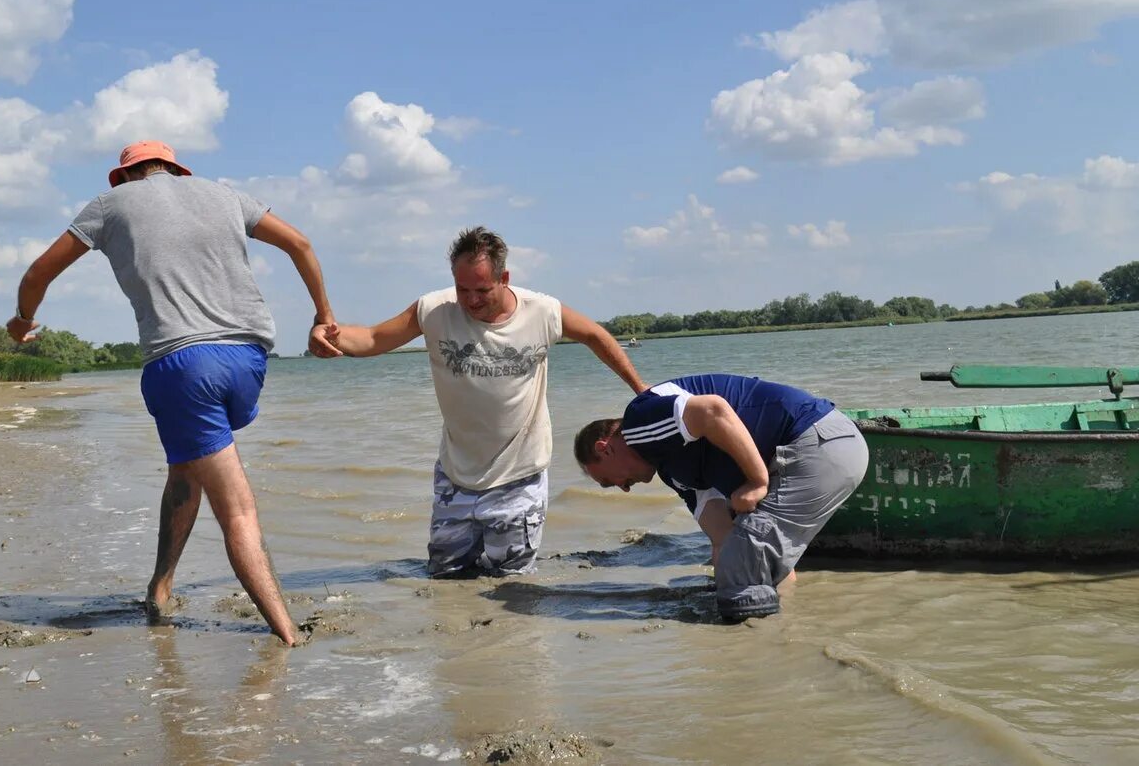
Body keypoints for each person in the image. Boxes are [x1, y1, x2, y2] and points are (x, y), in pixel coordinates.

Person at [5, 140, 341, 646]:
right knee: (187, 467)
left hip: (182, 365)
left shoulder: (107, 205)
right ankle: (160, 587)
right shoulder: (224, 194)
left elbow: (38, 273)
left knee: (238, 509)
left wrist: (22, 321)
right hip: (249, 358)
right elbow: (301, 244)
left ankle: (286, 635)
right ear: (176, 171)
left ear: (124, 177)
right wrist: (324, 318)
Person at [317, 226, 646, 577]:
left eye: (482, 290)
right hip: (455, 477)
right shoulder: (434, 310)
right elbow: (371, 338)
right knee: (444, 579)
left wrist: (640, 390)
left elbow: (596, 336)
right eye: (463, 289)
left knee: (512, 587)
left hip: (519, 477)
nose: (471, 300)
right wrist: (332, 337)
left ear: (504, 278)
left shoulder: (542, 312)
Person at [573, 373, 867, 621]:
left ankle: (754, 660)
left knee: (741, 573)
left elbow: (712, 410)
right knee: (742, 566)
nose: (623, 488)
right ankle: (783, 635)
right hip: (816, 451)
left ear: (604, 448)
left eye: (609, 481)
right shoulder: (673, 470)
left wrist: (756, 481)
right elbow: (722, 538)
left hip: (817, 441)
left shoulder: (638, 426)